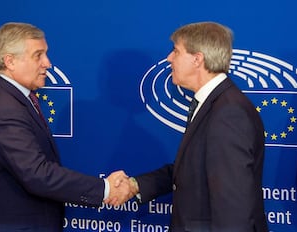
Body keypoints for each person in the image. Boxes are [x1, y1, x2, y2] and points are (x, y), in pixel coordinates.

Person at [0, 22, 131, 232]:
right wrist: (105, 189)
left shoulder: (12, 98)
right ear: (10, 61)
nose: (48, 63)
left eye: (46, 54)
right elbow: (38, 175)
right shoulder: (4, 109)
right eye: (38, 55)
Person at [109, 22, 268, 231]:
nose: (169, 58)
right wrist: (135, 186)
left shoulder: (229, 113)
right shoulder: (214, 104)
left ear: (197, 59)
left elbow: (233, 204)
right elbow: (192, 170)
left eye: (176, 51)